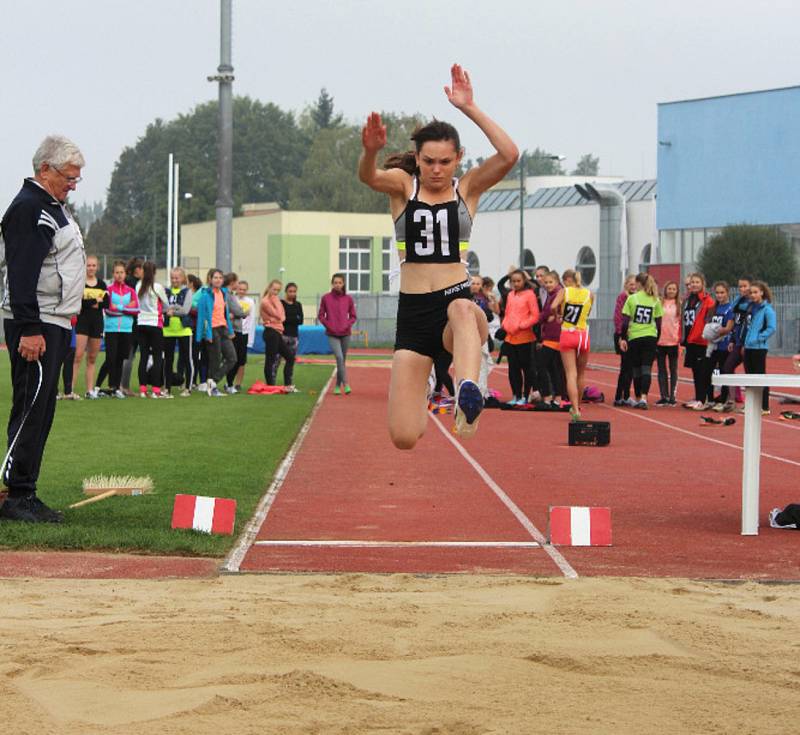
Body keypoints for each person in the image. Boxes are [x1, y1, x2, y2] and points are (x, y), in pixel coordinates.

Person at [359, 64, 517, 446]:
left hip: (454, 306)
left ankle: (467, 393)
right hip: (413, 315)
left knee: (464, 309)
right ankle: (432, 391)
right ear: (417, 157)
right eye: (428, 161)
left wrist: (469, 107)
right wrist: (370, 152)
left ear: (458, 158)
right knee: (404, 437)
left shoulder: (468, 189)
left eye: (445, 162)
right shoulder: (403, 188)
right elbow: (370, 177)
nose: (436, 169)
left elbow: (509, 154)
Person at [0, 135, 86, 522]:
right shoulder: (30, 207)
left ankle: (25, 492)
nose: (74, 183)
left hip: (53, 320)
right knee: (31, 406)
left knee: (42, 408)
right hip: (36, 322)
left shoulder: (49, 206)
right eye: (69, 175)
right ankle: (16, 494)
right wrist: (30, 328)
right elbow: (21, 273)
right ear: (45, 170)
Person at [553, 269, 594, 421]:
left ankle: (575, 408)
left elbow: (553, 305)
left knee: (571, 374)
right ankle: (579, 406)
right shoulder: (589, 293)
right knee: (581, 373)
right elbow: (588, 311)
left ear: (567, 280)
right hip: (583, 334)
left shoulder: (565, 291)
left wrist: (559, 314)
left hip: (567, 333)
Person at [619, 272, 663, 410]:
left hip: (635, 337)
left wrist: (623, 338)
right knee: (647, 369)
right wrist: (656, 339)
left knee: (636, 370)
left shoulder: (632, 299)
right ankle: (644, 397)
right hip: (650, 337)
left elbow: (625, 322)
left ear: (638, 284)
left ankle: (638, 397)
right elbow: (659, 323)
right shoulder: (655, 300)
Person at [196, 268, 237, 397]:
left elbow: (225, 314)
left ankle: (212, 382)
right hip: (212, 330)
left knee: (232, 358)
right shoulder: (205, 296)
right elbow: (202, 318)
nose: (218, 280)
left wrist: (230, 330)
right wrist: (204, 335)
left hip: (223, 329)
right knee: (215, 361)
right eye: (215, 277)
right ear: (210, 279)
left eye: (220, 277)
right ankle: (212, 389)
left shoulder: (224, 293)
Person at [501, 269, 539, 405]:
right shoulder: (510, 295)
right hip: (510, 337)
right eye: (513, 281)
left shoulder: (530, 295)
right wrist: (505, 324)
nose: (516, 284)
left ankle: (525, 395)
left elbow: (535, 316)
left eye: (518, 281)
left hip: (525, 338)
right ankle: (515, 395)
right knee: (513, 369)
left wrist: (521, 325)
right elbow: (507, 312)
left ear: (524, 281)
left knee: (527, 369)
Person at [72, 255, 107, 399]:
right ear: (84, 266)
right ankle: (70, 389)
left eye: (93, 265)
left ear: (97, 267)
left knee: (92, 358)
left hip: (97, 322)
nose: (91, 268)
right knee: (78, 356)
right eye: (88, 265)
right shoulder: (80, 283)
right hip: (83, 322)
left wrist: (93, 303)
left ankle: (89, 390)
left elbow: (106, 304)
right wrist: (94, 301)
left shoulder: (102, 284)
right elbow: (78, 303)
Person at [103, 260, 140, 399]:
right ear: (113, 274)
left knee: (120, 359)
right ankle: (110, 386)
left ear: (125, 274)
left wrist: (118, 307)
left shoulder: (131, 291)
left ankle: (117, 387)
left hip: (126, 329)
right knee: (111, 358)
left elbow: (136, 310)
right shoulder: (109, 290)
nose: (119, 275)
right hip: (111, 329)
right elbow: (108, 310)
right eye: (117, 272)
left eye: (122, 272)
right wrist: (125, 308)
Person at [317, 273, 357, 395]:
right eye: (335, 283)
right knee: (339, 357)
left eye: (340, 282)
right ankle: (346, 383)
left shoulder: (348, 299)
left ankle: (337, 386)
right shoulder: (326, 298)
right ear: (332, 284)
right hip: (332, 333)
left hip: (345, 333)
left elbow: (353, 316)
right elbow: (321, 315)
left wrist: (347, 324)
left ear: (343, 284)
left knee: (342, 361)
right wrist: (329, 325)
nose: (337, 285)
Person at [135, 261, 170, 398]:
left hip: (141, 323)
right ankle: (156, 389)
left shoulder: (138, 286)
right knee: (157, 357)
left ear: (143, 271)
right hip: (155, 323)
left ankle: (143, 389)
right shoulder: (157, 287)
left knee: (143, 356)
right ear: (154, 272)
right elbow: (166, 305)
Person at [681, 272, 716, 410]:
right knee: (695, 371)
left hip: (702, 341)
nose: (693, 285)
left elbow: (710, 321)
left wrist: (705, 335)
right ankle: (698, 397)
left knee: (703, 371)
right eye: (692, 283)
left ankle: (705, 399)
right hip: (690, 340)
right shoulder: (687, 300)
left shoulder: (708, 301)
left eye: (697, 282)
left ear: (702, 284)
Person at [718, 275, 753, 409]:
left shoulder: (753, 304)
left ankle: (752, 403)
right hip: (738, 343)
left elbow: (751, 326)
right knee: (727, 367)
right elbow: (736, 324)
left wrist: (746, 343)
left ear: (751, 286)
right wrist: (733, 339)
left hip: (749, 345)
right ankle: (731, 400)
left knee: (750, 373)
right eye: (740, 286)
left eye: (745, 286)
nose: (742, 289)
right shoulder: (737, 303)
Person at [742, 280, 776, 415]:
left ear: (762, 293)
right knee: (749, 377)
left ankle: (764, 406)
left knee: (760, 376)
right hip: (748, 347)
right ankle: (751, 404)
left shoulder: (767, 309)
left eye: (755, 292)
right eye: (751, 293)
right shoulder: (749, 307)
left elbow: (772, 328)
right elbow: (735, 307)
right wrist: (743, 294)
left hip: (759, 348)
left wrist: (758, 338)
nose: (753, 295)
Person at [163, 267, 194, 397]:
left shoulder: (187, 291)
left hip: (184, 330)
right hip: (168, 331)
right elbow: (163, 308)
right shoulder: (165, 291)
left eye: (177, 277)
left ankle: (188, 387)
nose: (174, 280)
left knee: (187, 359)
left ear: (182, 278)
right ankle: (167, 388)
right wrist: (170, 310)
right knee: (168, 360)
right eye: (172, 277)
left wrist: (172, 310)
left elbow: (185, 310)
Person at [536, 270, 565, 410]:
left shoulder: (557, 294)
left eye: (550, 282)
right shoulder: (552, 294)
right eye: (546, 282)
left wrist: (540, 319)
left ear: (557, 281)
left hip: (554, 336)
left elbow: (546, 312)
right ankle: (557, 398)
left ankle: (547, 397)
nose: (547, 285)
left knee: (541, 365)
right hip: (551, 335)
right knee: (553, 368)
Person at [260, 279, 295, 387]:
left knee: (290, 357)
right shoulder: (266, 301)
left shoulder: (275, 299)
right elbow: (280, 315)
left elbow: (282, 317)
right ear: (269, 287)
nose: (276, 292)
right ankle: (270, 385)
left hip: (277, 331)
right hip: (271, 332)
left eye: (278, 290)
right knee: (271, 359)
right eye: (274, 289)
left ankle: (288, 384)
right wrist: (277, 317)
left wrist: (277, 318)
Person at [707, 281, 735, 409]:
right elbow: (707, 324)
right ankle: (710, 399)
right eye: (717, 293)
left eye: (722, 292)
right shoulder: (713, 308)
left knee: (724, 372)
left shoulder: (730, 308)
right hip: (713, 346)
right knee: (708, 372)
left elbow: (728, 328)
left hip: (724, 345)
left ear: (727, 293)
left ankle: (723, 400)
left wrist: (714, 332)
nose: (719, 295)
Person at [655, 280, 681, 406]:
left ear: (677, 291)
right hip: (660, 341)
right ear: (665, 290)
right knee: (661, 369)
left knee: (673, 369)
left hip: (674, 341)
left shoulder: (679, 304)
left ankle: (672, 396)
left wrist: (681, 341)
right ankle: (663, 395)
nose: (671, 291)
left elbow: (681, 324)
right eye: (669, 288)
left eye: (673, 289)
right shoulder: (659, 303)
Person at [613, 274, 637, 406]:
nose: (633, 287)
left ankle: (622, 395)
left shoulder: (637, 298)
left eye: (635, 284)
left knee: (628, 367)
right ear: (626, 285)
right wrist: (620, 335)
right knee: (626, 367)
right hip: (624, 335)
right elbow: (618, 316)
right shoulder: (623, 296)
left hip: (633, 334)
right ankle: (622, 396)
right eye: (631, 284)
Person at [222, 272, 247, 394]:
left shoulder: (231, 295)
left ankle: (229, 383)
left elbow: (237, 311)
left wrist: (238, 312)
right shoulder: (227, 295)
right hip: (232, 330)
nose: (238, 284)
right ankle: (228, 383)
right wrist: (241, 312)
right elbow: (239, 311)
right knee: (233, 358)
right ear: (232, 282)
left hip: (238, 329)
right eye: (237, 282)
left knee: (240, 359)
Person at [276, 281, 303, 392]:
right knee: (276, 360)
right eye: (290, 291)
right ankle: (271, 382)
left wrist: (289, 319)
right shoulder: (281, 303)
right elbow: (282, 319)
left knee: (290, 360)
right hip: (282, 335)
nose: (292, 293)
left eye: (294, 291)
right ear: (286, 292)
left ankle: (288, 383)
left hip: (294, 336)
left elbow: (300, 320)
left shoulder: (298, 305)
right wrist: (292, 319)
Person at [235, 279, 257, 388]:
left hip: (244, 333)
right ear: (237, 289)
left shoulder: (250, 302)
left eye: (244, 289)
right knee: (232, 358)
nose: (242, 291)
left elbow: (252, 319)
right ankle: (229, 381)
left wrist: (250, 339)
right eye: (240, 289)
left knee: (242, 360)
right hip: (234, 332)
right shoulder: (232, 299)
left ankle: (238, 383)